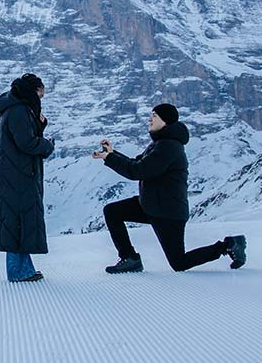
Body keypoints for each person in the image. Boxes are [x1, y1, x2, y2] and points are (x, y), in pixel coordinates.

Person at [92, 103, 247, 273]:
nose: (149, 119)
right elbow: (137, 163)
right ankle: (130, 258)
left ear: (165, 121)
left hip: (168, 212)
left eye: (154, 116)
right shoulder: (161, 143)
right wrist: (111, 154)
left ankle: (229, 245)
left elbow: (138, 171)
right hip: (151, 205)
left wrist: (110, 157)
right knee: (112, 211)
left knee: (179, 263)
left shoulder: (169, 147)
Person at [0, 73, 55, 282]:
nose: (41, 99)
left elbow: (23, 136)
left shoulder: (14, 107)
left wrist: (40, 126)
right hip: (17, 176)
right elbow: (26, 143)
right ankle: (17, 271)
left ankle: (25, 268)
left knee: (22, 222)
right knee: (16, 223)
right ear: (33, 91)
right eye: (41, 94)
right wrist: (47, 145)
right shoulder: (18, 110)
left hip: (16, 174)